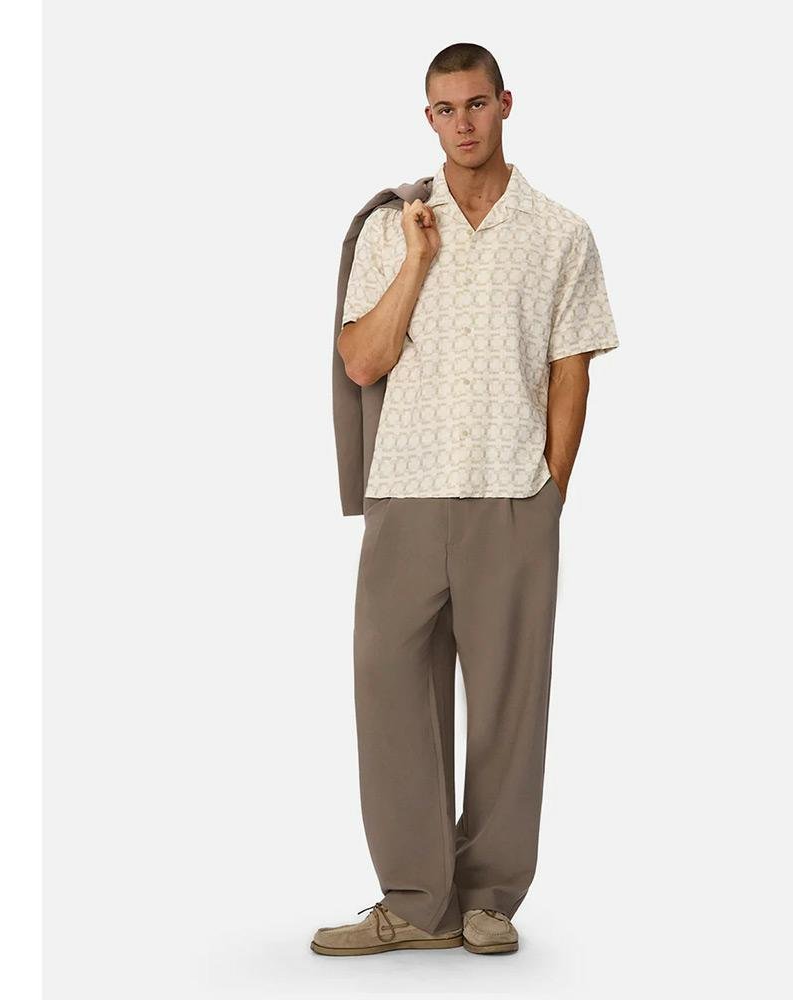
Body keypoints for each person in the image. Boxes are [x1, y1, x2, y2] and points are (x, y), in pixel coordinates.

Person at [312, 42, 619, 957]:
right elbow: (361, 360)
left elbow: (572, 372)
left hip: (511, 495)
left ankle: (488, 897)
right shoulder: (392, 227)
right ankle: (416, 901)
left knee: (510, 704)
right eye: (445, 109)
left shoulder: (561, 232)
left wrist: (549, 490)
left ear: (505, 104)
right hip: (405, 490)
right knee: (390, 693)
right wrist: (416, 260)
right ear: (429, 118)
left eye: (477, 104)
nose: (463, 123)